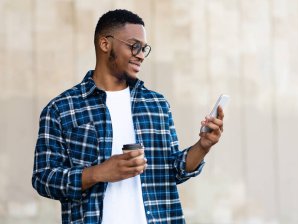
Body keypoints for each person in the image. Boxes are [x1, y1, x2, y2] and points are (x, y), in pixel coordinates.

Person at [32, 9, 224, 224]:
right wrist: (98, 173)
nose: (141, 54)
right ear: (105, 44)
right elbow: (44, 179)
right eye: (134, 46)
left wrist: (203, 146)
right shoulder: (61, 108)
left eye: (144, 48)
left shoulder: (156, 104)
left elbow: (173, 170)